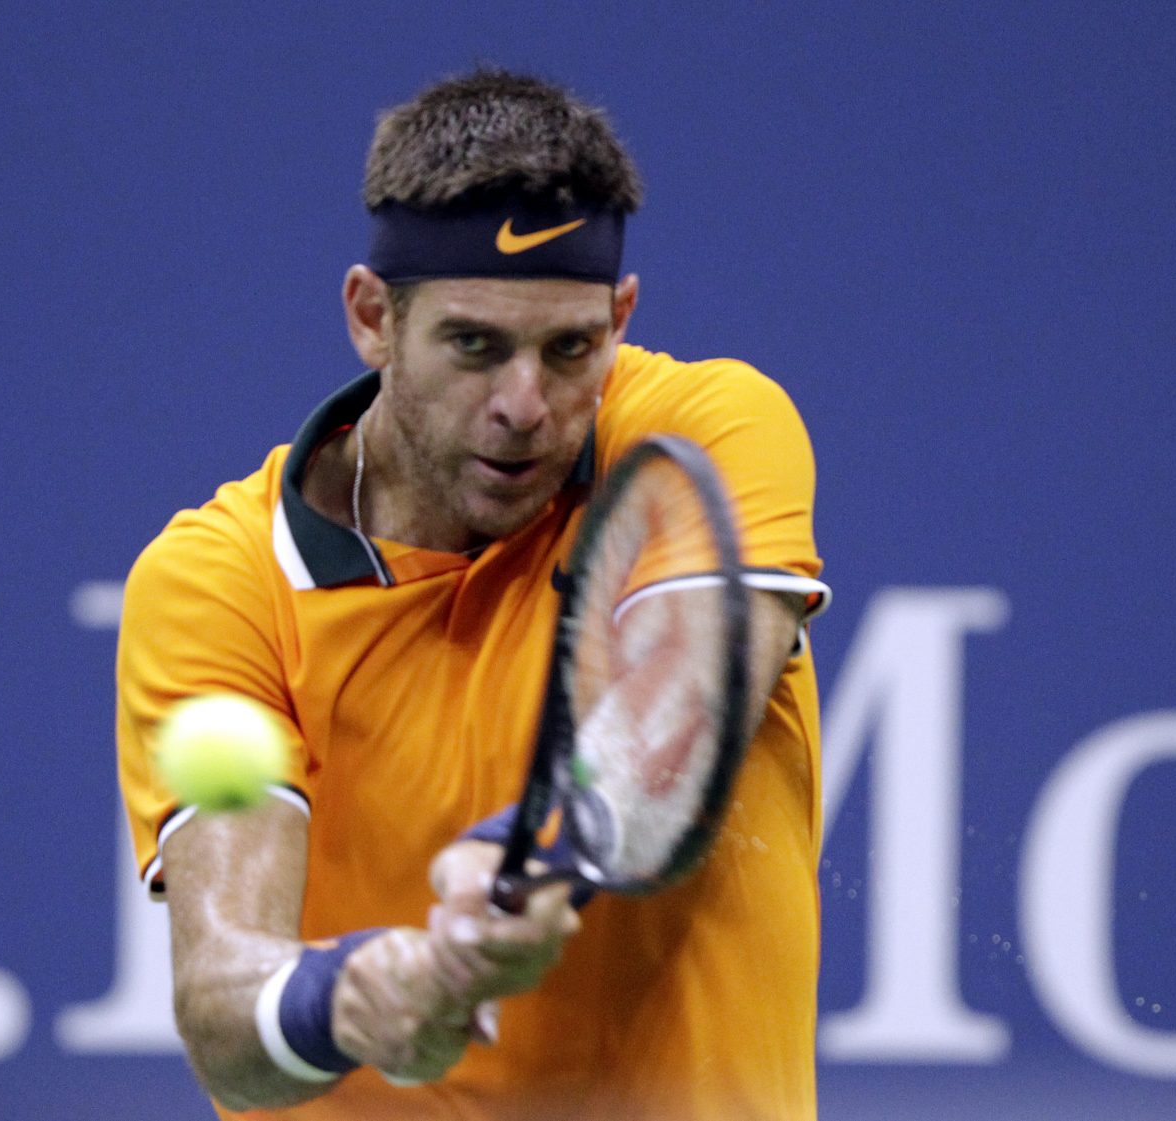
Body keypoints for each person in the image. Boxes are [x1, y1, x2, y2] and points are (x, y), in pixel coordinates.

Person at [116, 68, 830, 1121]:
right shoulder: (217, 582)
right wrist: (346, 999)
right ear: (373, 317)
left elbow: (689, 698)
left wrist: (537, 852)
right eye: (474, 345)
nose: (524, 405)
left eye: (569, 348)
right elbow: (226, 1014)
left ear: (620, 318)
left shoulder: (709, 429)